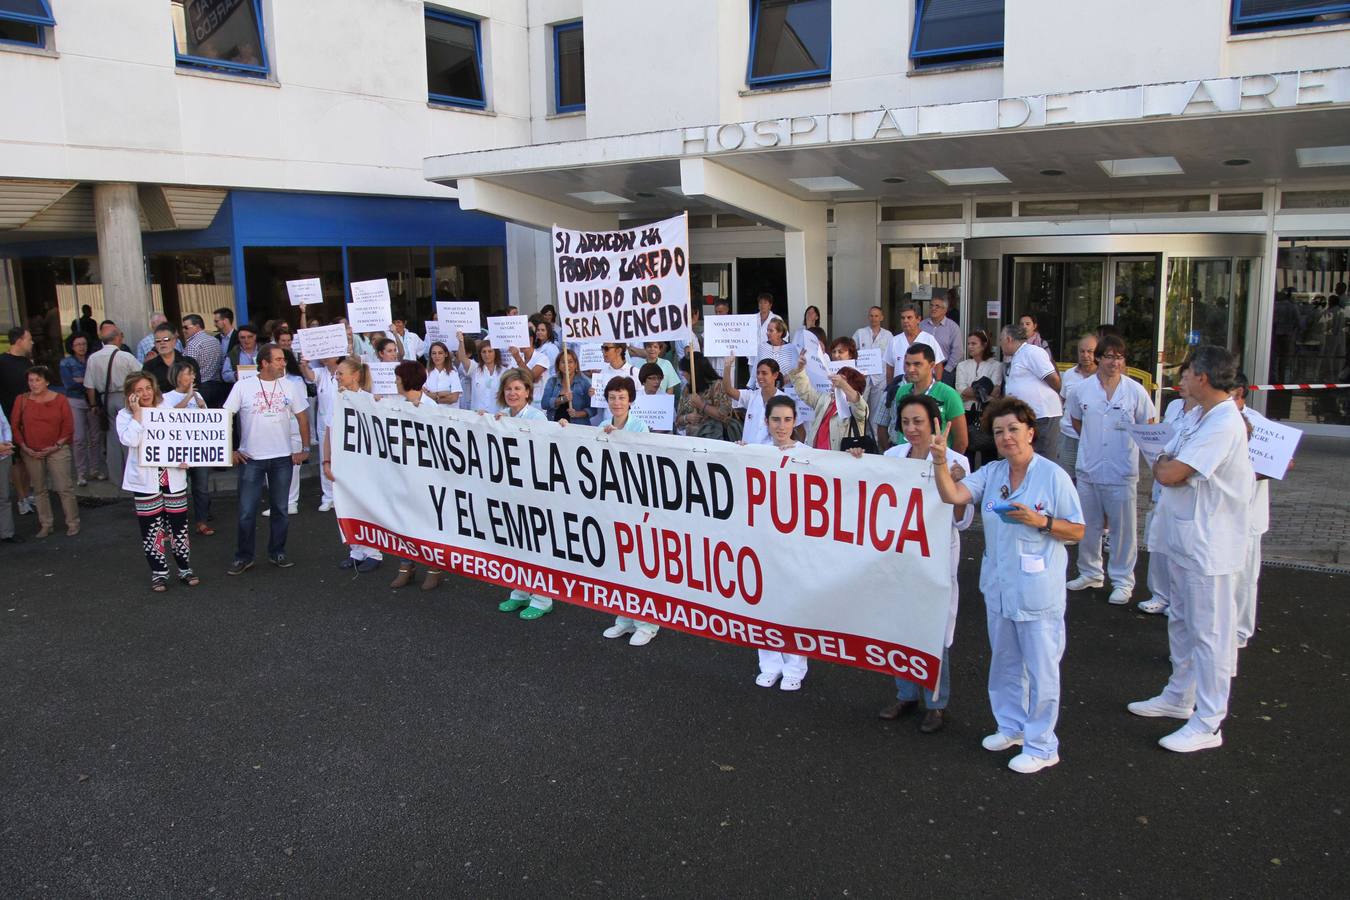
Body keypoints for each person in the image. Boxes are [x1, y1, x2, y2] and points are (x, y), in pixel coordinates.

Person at [929, 397, 1085, 774]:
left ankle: (1042, 744)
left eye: (1013, 429)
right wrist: (938, 461)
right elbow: (954, 495)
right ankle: (1011, 727)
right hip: (999, 588)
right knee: (1005, 665)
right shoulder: (993, 473)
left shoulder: (1052, 476)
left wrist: (1041, 522)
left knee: (1042, 671)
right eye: (998, 432)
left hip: (1038, 592)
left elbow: (1078, 530)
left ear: (1031, 432)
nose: (1006, 437)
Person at [1128, 346, 1252, 754]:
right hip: (1183, 538)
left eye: (1185, 373)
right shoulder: (1193, 415)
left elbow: (1171, 470)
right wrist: (1167, 463)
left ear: (1203, 377)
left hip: (1209, 545)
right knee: (1180, 619)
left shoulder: (1224, 422)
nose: (1178, 380)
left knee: (1211, 633)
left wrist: (1167, 464)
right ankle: (1179, 696)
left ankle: (1210, 720)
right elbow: (1165, 462)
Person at [873, 394, 972, 733]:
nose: (912, 429)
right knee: (899, 622)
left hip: (936, 556)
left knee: (932, 625)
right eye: (905, 423)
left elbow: (961, 517)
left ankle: (936, 703)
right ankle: (906, 693)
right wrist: (858, 460)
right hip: (899, 554)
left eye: (918, 422)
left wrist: (953, 479)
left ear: (934, 423)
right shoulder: (892, 457)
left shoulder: (955, 460)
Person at [1064, 335, 1156, 605]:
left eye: (1119, 357)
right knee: (1089, 526)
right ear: (1098, 358)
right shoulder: (1081, 390)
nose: (1114, 362)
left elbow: (1147, 426)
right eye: (1109, 356)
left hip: (1121, 469)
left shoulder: (1135, 391)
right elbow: (1077, 421)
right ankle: (1090, 572)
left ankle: (1123, 580)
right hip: (1090, 467)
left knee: (1123, 529)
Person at [223, 343, 311, 575]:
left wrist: (305, 448)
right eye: (279, 359)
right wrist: (230, 449)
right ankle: (244, 556)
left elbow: (302, 417)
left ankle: (277, 552)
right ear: (264, 363)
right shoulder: (243, 387)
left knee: (280, 509)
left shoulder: (290, 386)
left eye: (283, 359)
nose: (284, 363)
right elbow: (226, 417)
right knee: (246, 511)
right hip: (251, 458)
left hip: (282, 457)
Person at [753, 395, 813, 691]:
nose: (781, 426)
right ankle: (770, 663)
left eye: (788, 419)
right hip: (763, 541)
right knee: (764, 603)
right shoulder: (754, 452)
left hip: (795, 544)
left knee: (793, 603)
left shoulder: (809, 454)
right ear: (766, 421)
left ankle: (795, 664)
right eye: (775, 419)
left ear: (795, 421)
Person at [117, 373, 198, 591]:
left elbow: (181, 440)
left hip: (172, 478)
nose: (145, 393)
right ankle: (159, 573)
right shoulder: (124, 416)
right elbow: (130, 440)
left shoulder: (166, 410)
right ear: (131, 394)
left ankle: (185, 568)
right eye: (139, 390)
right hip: (145, 482)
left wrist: (185, 458)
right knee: (152, 529)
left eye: (148, 388)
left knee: (179, 527)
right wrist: (137, 415)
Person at [491, 369, 556, 620]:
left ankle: (542, 597)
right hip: (510, 488)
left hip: (534, 490)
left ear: (528, 392)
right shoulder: (501, 416)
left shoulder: (537, 417)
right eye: (508, 389)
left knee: (537, 543)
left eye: (518, 388)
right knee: (515, 541)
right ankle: (519, 591)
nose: (512, 393)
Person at [1139, 362, 1198, 616]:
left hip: (1181, 482)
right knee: (1158, 539)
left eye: (1186, 378)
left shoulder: (1206, 414)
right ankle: (1159, 594)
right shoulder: (1174, 406)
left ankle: (1178, 599)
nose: (1181, 383)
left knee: (1181, 548)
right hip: (1161, 477)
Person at [323, 357, 383, 572]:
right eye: (337, 374)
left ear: (355, 376)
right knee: (344, 505)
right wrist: (326, 461)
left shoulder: (370, 400)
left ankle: (374, 552)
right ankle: (355, 550)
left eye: (341, 373)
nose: (337, 377)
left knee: (365, 505)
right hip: (341, 463)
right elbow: (329, 432)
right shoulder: (336, 400)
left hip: (364, 464)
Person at [1230, 375, 1274, 649]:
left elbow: (1271, 464)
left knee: (1245, 577)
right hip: (1223, 515)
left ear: (1243, 396)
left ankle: (1240, 631)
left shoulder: (1259, 424)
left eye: (1235, 395)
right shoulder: (1212, 419)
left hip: (1250, 514)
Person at [12, 365, 80, 538]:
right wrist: (24, 447)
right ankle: (45, 524)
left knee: (64, 487)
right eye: (31, 380)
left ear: (47, 381)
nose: (33, 384)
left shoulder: (60, 400)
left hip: (57, 449)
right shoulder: (21, 400)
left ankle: (72, 522)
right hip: (31, 451)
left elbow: (68, 426)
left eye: (38, 380)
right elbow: (15, 426)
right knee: (40, 489)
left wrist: (56, 445)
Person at [880, 343, 967, 455]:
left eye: (917, 364)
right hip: (905, 461)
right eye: (907, 364)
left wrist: (946, 463)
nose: (911, 369)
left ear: (931, 365)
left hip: (936, 462)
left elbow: (961, 441)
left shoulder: (949, 394)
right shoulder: (902, 391)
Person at [83, 322, 141, 488]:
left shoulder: (93, 358)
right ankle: (133, 476)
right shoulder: (125, 357)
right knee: (129, 435)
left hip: (105, 398)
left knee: (112, 438)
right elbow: (141, 374)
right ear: (117, 338)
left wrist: (94, 404)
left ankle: (117, 477)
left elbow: (89, 385)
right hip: (125, 396)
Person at [162, 361, 215, 537]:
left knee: (201, 487)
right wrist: (188, 397)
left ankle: (202, 521)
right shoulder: (167, 397)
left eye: (193, 374)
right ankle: (175, 526)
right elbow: (170, 416)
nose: (192, 377)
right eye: (188, 374)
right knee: (177, 489)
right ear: (178, 376)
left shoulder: (198, 396)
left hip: (198, 449)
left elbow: (209, 420)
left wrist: (199, 403)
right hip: (179, 451)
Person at [999, 323, 1062, 459]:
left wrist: (1058, 395)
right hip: (1028, 417)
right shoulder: (1018, 355)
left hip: (1043, 415)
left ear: (1009, 339)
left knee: (1043, 459)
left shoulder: (1032, 352)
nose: (1000, 344)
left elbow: (1054, 379)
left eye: (1001, 340)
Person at [786, 350, 868, 451]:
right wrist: (800, 368)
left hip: (839, 462)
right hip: (816, 457)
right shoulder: (826, 399)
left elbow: (858, 402)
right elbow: (805, 392)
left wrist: (843, 384)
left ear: (852, 384)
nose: (836, 379)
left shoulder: (855, 407)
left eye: (842, 378)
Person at [60, 333, 103, 486]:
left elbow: (98, 380)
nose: (81, 347)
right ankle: (81, 473)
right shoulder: (66, 363)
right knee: (79, 439)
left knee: (95, 437)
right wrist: (87, 381)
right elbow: (69, 384)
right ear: (72, 346)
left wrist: (81, 380)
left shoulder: (92, 359)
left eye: (84, 344)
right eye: (78, 344)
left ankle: (95, 469)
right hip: (76, 401)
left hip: (92, 401)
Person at [955, 330, 1003, 469]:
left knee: (988, 452)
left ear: (984, 345)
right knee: (967, 452)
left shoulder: (995, 365)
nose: (970, 346)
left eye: (974, 343)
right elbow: (960, 390)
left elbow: (995, 391)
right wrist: (981, 391)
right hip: (966, 411)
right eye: (969, 343)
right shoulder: (962, 365)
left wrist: (972, 391)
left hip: (987, 412)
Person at [2, 326, 37, 514]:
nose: (31, 342)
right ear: (19, 340)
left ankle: (28, 493)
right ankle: (22, 497)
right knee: (16, 460)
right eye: (28, 338)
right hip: (10, 420)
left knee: (28, 456)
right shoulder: (2, 362)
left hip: (29, 419)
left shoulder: (26, 362)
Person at [1056, 334, 1098, 478]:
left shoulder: (1102, 377)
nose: (1085, 355)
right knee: (1067, 478)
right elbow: (1061, 400)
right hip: (1068, 436)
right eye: (1082, 351)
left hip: (1094, 438)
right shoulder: (1069, 374)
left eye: (1090, 351)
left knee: (1089, 479)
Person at [721, 357, 786, 446]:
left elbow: (798, 429)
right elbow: (728, 390)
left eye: (764, 373)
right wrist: (727, 366)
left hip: (772, 455)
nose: (759, 376)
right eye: (758, 373)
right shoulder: (751, 396)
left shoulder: (785, 400)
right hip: (748, 453)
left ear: (775, 375)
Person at [852, 305, 894, 438]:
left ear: (881, 317)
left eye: (876, 316)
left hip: (880, 377)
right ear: (868, 317)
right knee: (859, 406)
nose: (874, 318)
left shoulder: (888, 335)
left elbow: (890, 357)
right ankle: (858, 436)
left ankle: (875, 439)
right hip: (862, 376)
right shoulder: (860, 333)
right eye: (871, 315)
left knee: (876, 409)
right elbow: (852, 351)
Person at [883, 304, 946, 387]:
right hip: (899, 390)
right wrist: (890, 389)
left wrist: (935, 387)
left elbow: (938, 366)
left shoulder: (929, 339)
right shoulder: (894, 341)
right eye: (903, 318)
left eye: (909, 317)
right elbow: (890, 369)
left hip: (924, 391)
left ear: (918, 319)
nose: (905, 321)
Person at [676, 354, 735, 439]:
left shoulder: (718, 385)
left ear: (695, 371)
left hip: (712, 439)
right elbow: (678, 420)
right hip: (690, 439)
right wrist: (686, 418)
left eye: (685, 371)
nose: (683, 374)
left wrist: (701, 405)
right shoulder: (687, 388)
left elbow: (724, 416)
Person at [182, 314, 226, 407]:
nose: (183, 330)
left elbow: (188, 370)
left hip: (201, 388)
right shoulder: (215, 340)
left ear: (197, 326)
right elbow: (222, 363)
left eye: (186, 327)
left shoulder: (192, 345)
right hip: (218, 386)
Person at [921, 291, 964, 386]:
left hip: (945, 369)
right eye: (931, 305)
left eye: (937, 306)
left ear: (945, 310)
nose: (933, 308)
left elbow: (958, 351)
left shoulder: (952, 327)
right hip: (923, 368)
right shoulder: (922, 325)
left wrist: (947, 370)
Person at [143, 323, 200, 393]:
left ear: (175, 341)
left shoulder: (189, 362)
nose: (162, 343)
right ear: (154, 344)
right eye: (158, 340)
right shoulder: (149, 366)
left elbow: (196, 387)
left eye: (166, 339)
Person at [589, 342, 638, 422]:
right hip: (608, 423)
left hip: (628, 425)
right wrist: (593, 394)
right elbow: (601, 400)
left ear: (618, 351)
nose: (603, 351)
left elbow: (640, 400)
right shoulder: (603, 372)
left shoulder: (634, 372)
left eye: (606, 348)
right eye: (602, 348)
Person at [541, 348, 591, 425]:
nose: (567, 365)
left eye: (570, 362)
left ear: (575, 364)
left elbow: (592, 409)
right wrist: (562, 399)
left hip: (577, 428)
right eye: (563, 362)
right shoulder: (552, 381)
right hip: (554, 426)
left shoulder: (584, 383)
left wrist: (577, 414)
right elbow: (544, 404)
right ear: (558, 365)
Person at [510, 318, 560, 389]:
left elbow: (531, 377)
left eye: (543, 330)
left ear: (531, 340)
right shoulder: (517, 356)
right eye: (538, 330)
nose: (539, 332)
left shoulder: (546, 353)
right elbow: (511, 376)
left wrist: (518, 359)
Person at [424, 341, 463, 406]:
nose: (437, 356)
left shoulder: (453, 372)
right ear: (431, 355)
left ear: (446, 354)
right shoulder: (426, 373)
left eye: (440, 353)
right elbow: (422, 394)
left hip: (449, 414)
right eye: (434, 353)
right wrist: (444, 394)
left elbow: (454, 398)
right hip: (431, 413)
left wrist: (433, 397)